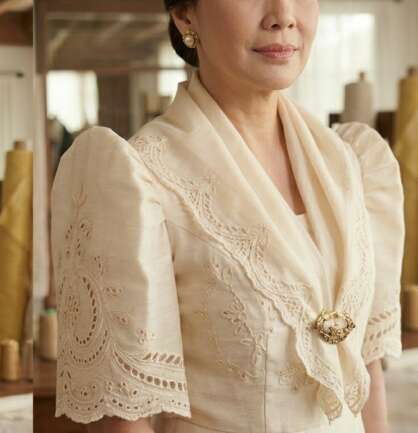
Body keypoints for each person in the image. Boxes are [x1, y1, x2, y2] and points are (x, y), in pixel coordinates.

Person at [51, 1, 403, 432]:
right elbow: (124, 420)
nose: (283, 14)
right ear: (185, 15)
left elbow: (364, 369)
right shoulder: (136, 181)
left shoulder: (348, 162)